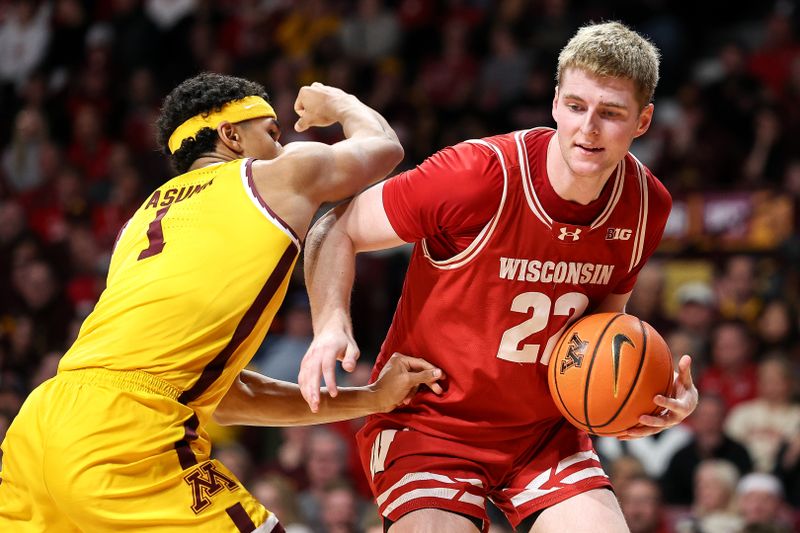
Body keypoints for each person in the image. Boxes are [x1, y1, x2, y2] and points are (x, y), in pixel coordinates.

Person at [0, 72, 445, 532]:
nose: (282, 141)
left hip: (38, 428)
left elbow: (228, 397)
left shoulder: (135, 225)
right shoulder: (275, 173)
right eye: (271, 132)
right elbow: (384, 148)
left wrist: (371, 399)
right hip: (127, 431)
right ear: (231, 134)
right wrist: (338, 101)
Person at [299, 22, 699, 532]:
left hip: (543, 433)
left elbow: (601, 328)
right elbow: (336, 227)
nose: (588, 129)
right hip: (430, 424)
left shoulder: (647, 205)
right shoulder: (477, 176)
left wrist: (649, 396)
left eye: (611, 114)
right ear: (555, 102)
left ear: (643, 121)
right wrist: (331, 324)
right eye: (576, 107)